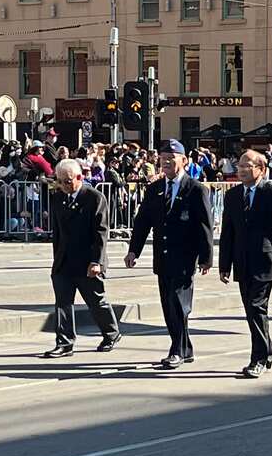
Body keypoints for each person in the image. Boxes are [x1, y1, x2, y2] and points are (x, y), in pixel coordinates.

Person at [125, 140, 213, 370]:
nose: (166, 161)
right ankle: (186, 348)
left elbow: (205, 225)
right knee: (168, 304)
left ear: (184, 161)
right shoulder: (155, 188)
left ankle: (177, 350)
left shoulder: (196, 189)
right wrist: (134, 250)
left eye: (171, 157)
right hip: (162, 257)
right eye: (163, 157)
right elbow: (143, 221)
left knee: (179, 303)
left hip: (185, 256)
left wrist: (206, 257)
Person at [218, 149, 272, 378]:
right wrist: (224, 264)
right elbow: (228, 232)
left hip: (265, 261)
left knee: (256, 307)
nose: (241, 170)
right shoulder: (233, 196)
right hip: (242, 262)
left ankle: (259, 358)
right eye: (239, 166)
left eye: (247, 166)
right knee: (252, 310)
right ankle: (267, 350)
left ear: (261, 169)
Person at [42, 159, 122, 358]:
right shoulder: (58, 197)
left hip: (87, 260)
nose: (63, 186)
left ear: (79, 177)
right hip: (64, 261)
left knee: (96, 301)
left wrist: (97, 261)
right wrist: (56, 260)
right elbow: (58, 232)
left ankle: (111, 333)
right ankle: (64, 342)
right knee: (62, 302)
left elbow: (101, 232)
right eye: (60, 181)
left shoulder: (94, 197)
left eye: (67, 181)